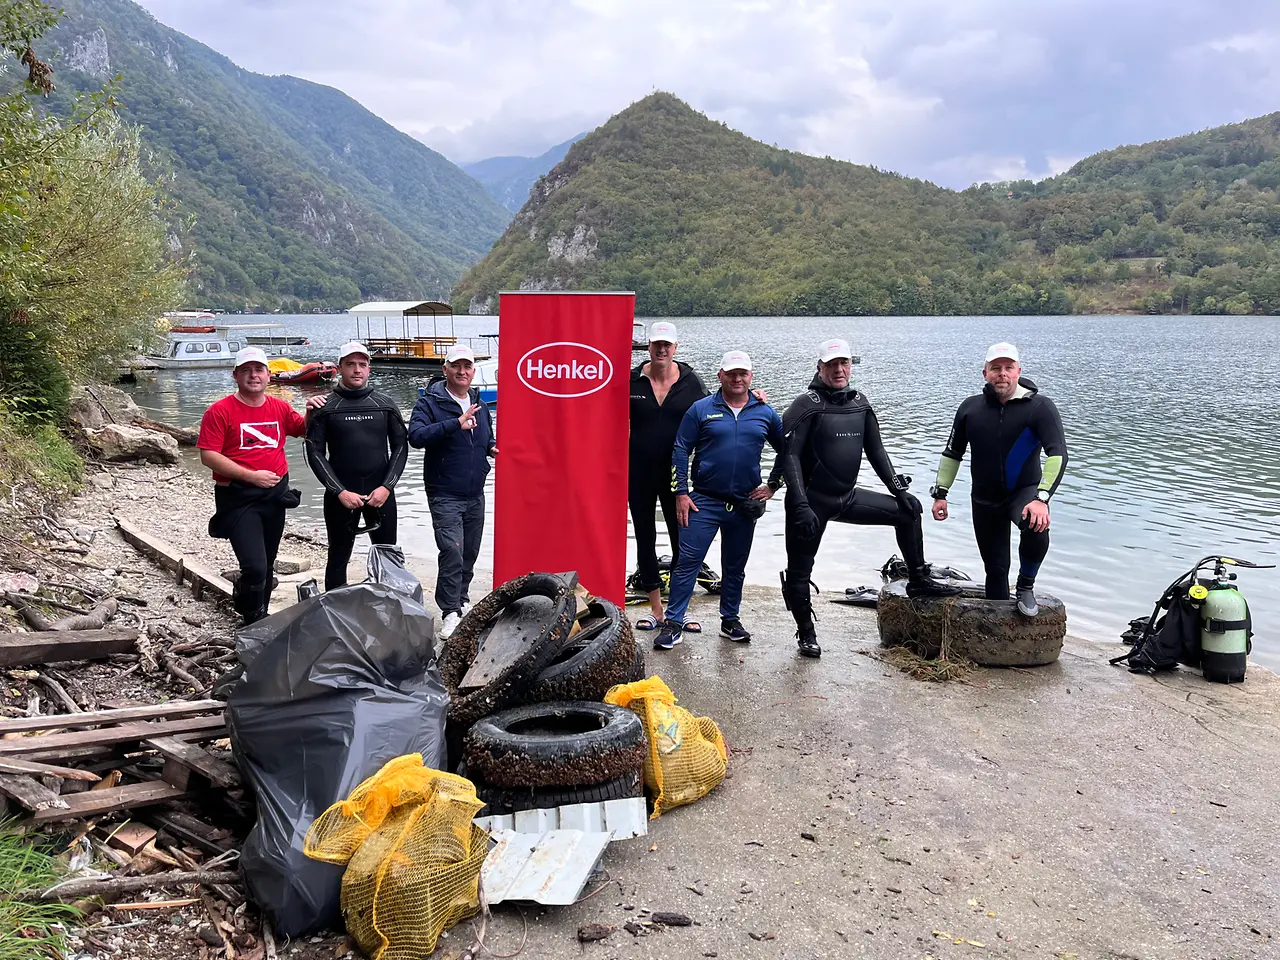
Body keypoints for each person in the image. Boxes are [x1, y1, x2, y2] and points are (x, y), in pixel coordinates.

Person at [774, 338, 961, 659]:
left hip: (846, 497)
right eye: (831, 365)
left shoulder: (860, 402)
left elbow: (876, 450)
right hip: (810, 504)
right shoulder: (806, 404)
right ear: (819, 368)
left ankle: (918, 578)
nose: (839, 370)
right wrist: (800, 503)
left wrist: (897, 489)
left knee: (908, 511)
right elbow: (788, 456)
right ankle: (806, 634)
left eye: (844, 364)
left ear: (851, 366)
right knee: (799, 571)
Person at [652, 350, 783, 652]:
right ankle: (674, 623)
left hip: (744, 504)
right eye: (732, 373)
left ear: (751, 377)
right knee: (687, 563)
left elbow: (786, 450)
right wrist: (681, 493)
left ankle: (730, 621)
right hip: (703, 502)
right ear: (720, 375)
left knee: (735, 566)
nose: (738, 379)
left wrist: (774, 485)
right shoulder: (701, 409)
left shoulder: (765, 412)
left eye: (743, 374)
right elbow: (681, 449)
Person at [930, 342, 1068, 616]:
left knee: (1036, 524)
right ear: (985, 373)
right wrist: (941, 493)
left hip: (1025, 492)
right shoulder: (970, 409)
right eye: (995, 368)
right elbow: (953, 452)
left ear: (1018, 371)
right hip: (984, 498)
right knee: (995, 569)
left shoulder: (1039, 407)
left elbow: (1058, 454)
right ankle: (997, 632)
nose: (1002, 373)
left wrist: (1042, 498)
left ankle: (1026, 586)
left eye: (1007, 368)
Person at [197, 346, 307, 624]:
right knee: (255, 566)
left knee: (267, 564)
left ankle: (259, 617)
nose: (253, 375)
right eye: (246, 370)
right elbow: (208, 456)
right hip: (238, 497)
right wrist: (251, 475)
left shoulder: (279, 407)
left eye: (259, 370)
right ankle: (251, 614)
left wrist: (314, 409)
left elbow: (304, 429)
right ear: (235, 375)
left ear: (269, 376)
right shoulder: (219, 411)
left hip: (275, 496)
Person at [408, 344, 496, 638]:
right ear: (444, 369)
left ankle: (463, 599)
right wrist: (454, 424)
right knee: (451, 551)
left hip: (475, 492)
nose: (462, 372)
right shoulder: (429, 403)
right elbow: (417, 437)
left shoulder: (480, 403)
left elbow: (486, 441)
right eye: (456, 366)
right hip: (444, 491)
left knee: (469, 551)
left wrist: (495, 450)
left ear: (473, 371)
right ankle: (449, 611)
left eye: (467, 367)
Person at [304, 341, 408, 590]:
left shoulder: (385, 404)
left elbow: (401, 448)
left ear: (369, 369)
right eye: (350, 364)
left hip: (380, 495)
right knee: (338, 557)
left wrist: (386, 487)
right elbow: (315, 453)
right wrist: (339, 491)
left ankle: (388, 612)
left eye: (362, 364)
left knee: (387, 558)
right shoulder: (325, 407)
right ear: (340, 368)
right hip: (341, 496)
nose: (357, 369)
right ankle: (336, 614)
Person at [628, 321, 709, 630]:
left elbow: (718, 409)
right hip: (638, 472)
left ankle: (679, 608)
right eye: (656, 344)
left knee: (683, 540)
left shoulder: (691, 382)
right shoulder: (632, 381)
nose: (661, 349)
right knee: (644, 538)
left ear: (676, 348)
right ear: (648, 346)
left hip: (679, 476)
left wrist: (754, 398)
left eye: (667, 344)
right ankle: (656, 609)